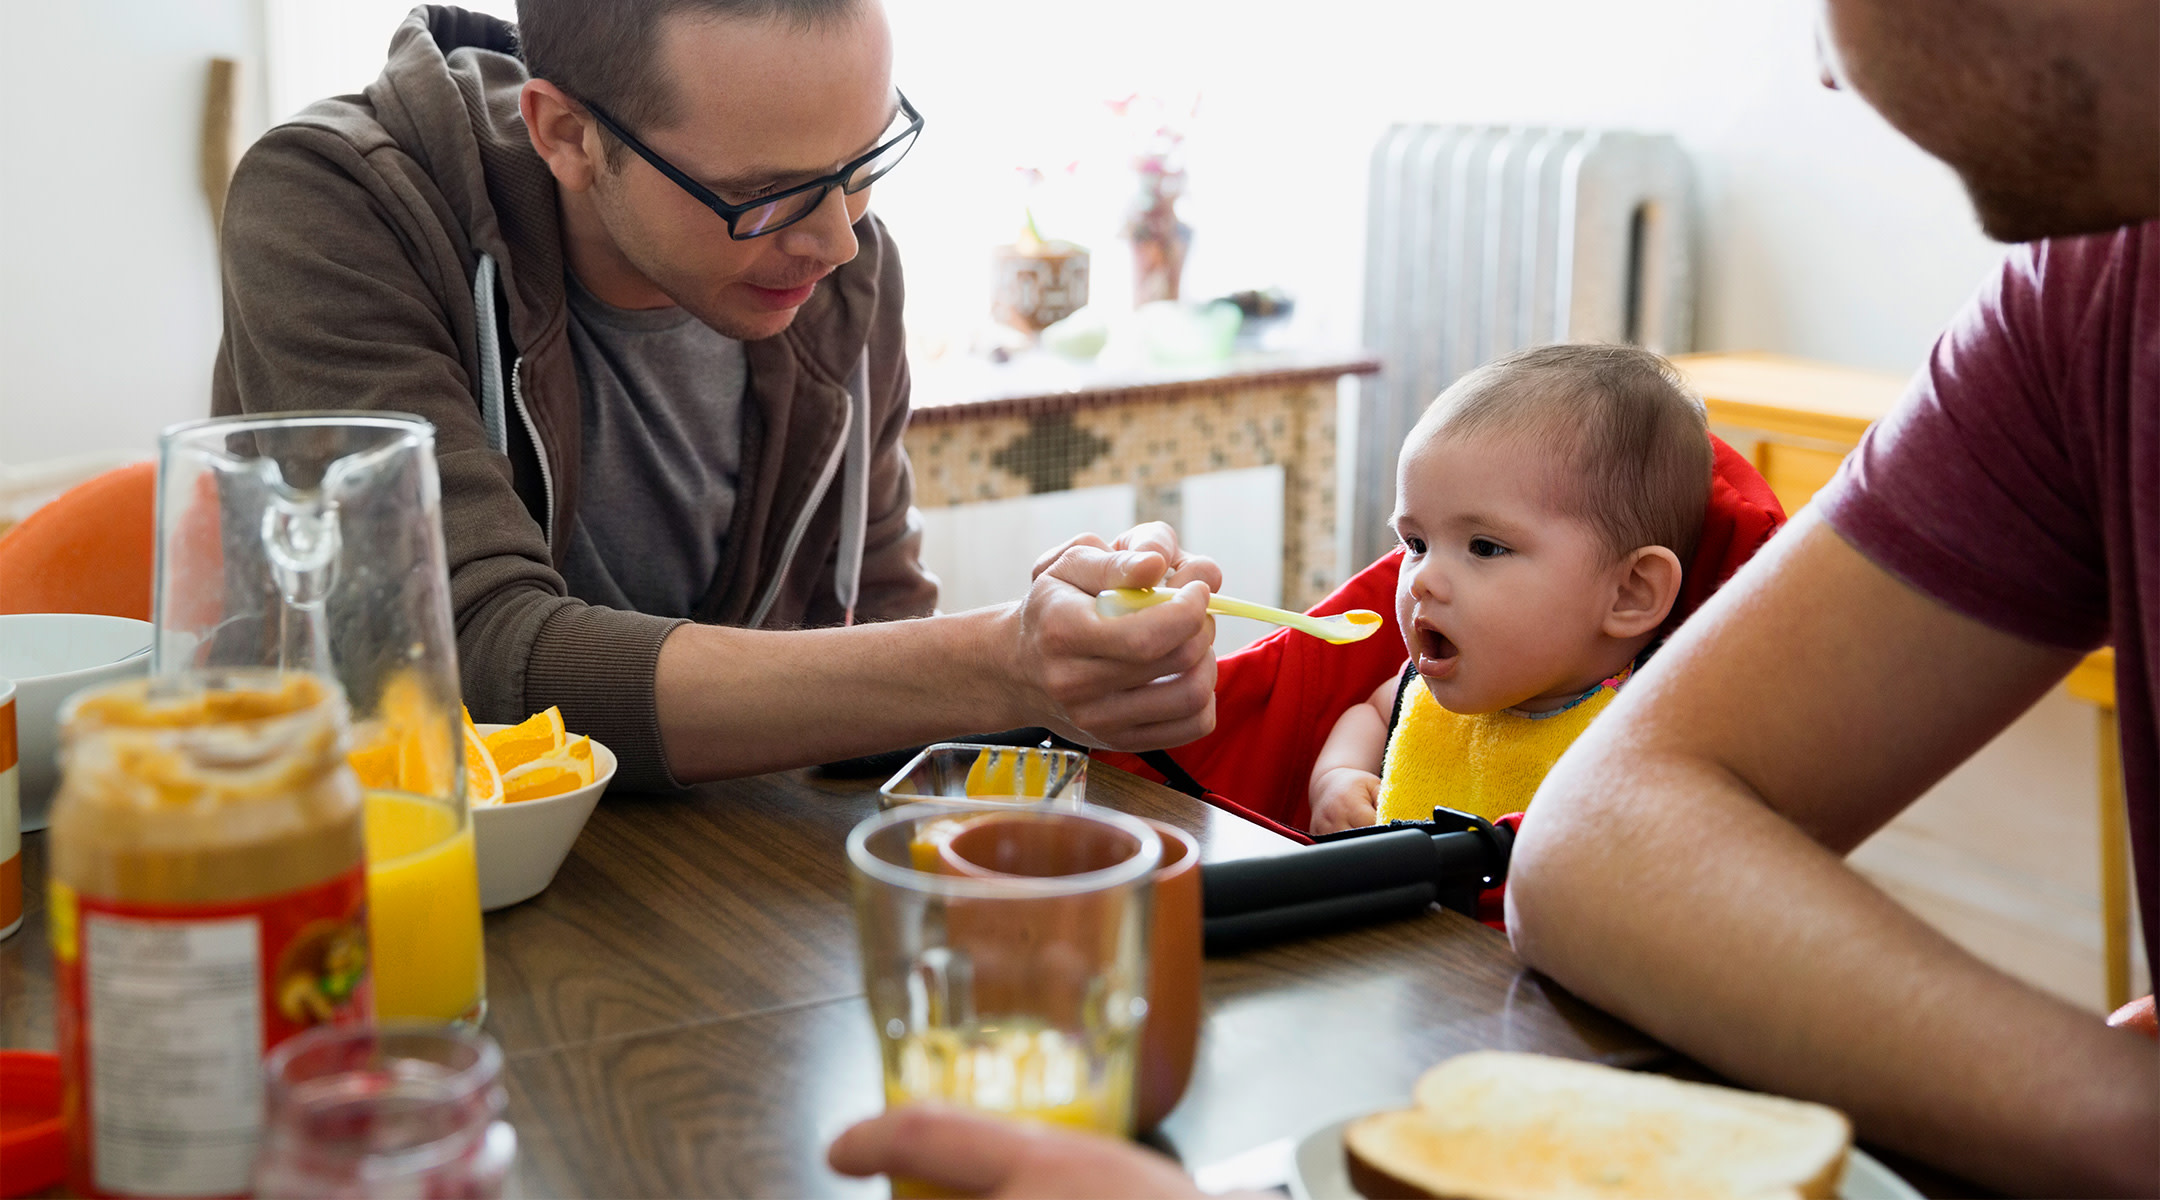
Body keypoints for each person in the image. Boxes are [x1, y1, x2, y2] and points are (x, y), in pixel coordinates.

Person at [830, 0, 2158, 1194]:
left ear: (1634, 596)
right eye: (1415, 542)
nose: (1814, 61)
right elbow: (1591, 853)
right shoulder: (2083, 303)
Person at [210, 0, 1219, 791]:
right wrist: (997, 660)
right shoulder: (335, 206)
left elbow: (873, 614)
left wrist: (1077, 665)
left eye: (863, 160)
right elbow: (456, 659)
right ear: (565, 134)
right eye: (767, 192)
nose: (838, 238)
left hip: (708, 905)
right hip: (366, 896)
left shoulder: (841, 269)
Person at [1306, 344, 1708, 834]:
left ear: (1629, 593)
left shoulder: (1639, 737)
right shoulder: (1422, 692)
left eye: (1484, 547)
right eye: (1415, 542)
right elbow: (1370, 714)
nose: (1423, 578)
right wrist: (1338, 776)